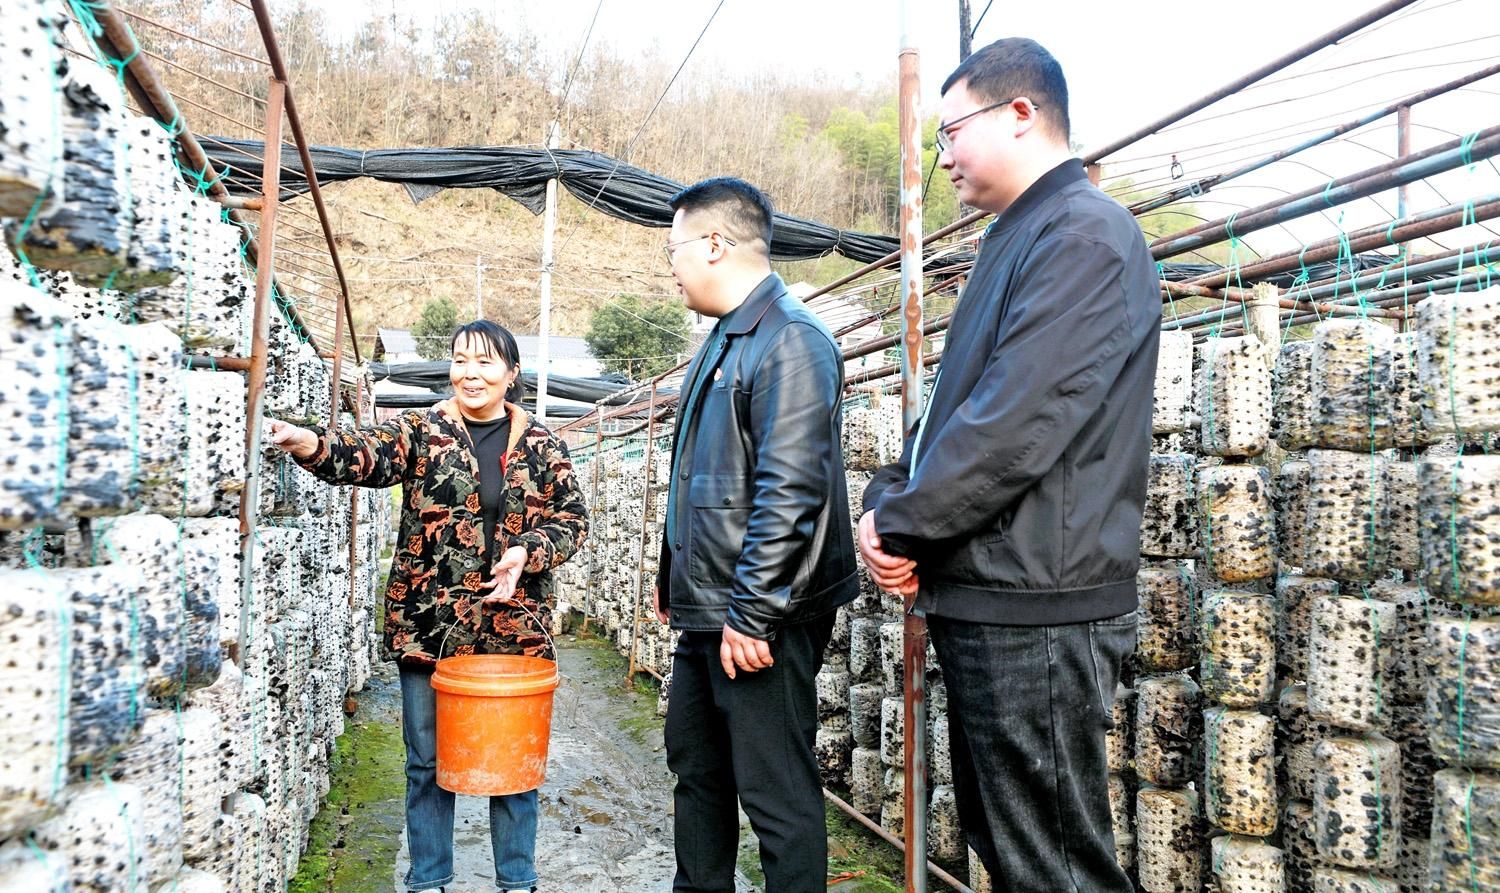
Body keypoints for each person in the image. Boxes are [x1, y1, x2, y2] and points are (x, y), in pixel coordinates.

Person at [857, 38, 1158, 893]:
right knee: (1013, 845)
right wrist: (891, 495)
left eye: (952, 132)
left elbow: (1017, 422)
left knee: (1055, 863)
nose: (943, 155)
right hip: (999, 593)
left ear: (1021, 114)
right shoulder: (1016, 238)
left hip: (1042, 604)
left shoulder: (1085, 236)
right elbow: (955, 411)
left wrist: (902, 521)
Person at [267, 320, 589, 893]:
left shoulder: (542, 444)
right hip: (429, 628)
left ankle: (517, 882)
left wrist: (525, 554)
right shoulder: (421, 430)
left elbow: (574, 520)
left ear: (512, 374)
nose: (471, 373)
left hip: (513, 631)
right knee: (426, 764)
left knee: (512, 766)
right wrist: (310, 443)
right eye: (461, 359)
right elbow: (364, 455)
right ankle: (428, 880)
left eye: (487, 362)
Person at [651, 177, 858, 893]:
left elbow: (790, 489)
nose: (670, 265)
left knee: (775, 793)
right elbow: (699, 477)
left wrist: (752, 610)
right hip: (713, 609)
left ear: (715, 243)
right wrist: (673, 582)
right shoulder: (728, 336)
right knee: (698, 771)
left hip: (758, 616)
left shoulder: (791, 340)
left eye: (673, 248)